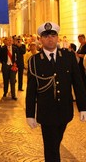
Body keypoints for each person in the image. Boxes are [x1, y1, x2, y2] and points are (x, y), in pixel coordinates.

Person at [26, 22, 86, 162]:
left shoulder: (68, 56)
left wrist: (83, 107)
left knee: (55, 143)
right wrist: (30, 114)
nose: (50, 39)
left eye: (53, 35)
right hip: (46, 112)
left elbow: (78, 83)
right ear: (40, 39)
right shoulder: (34, 61)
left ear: (57, 37)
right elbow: (31, 90)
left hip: (65, 111)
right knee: (51, 147)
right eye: (46, 36)